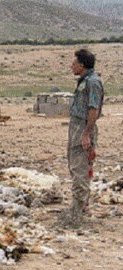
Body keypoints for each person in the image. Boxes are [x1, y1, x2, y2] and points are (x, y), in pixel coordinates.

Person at [62, 48, 104, 226]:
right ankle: (83, 204)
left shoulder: (93, 82)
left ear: (82, 64)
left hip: (83, 127)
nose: (71, 65)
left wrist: (86, 133)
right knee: (75, 165)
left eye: (74, 62)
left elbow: (93, 109)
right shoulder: (84, 81)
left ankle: (77, 213)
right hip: (76, 126)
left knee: (81, 167)